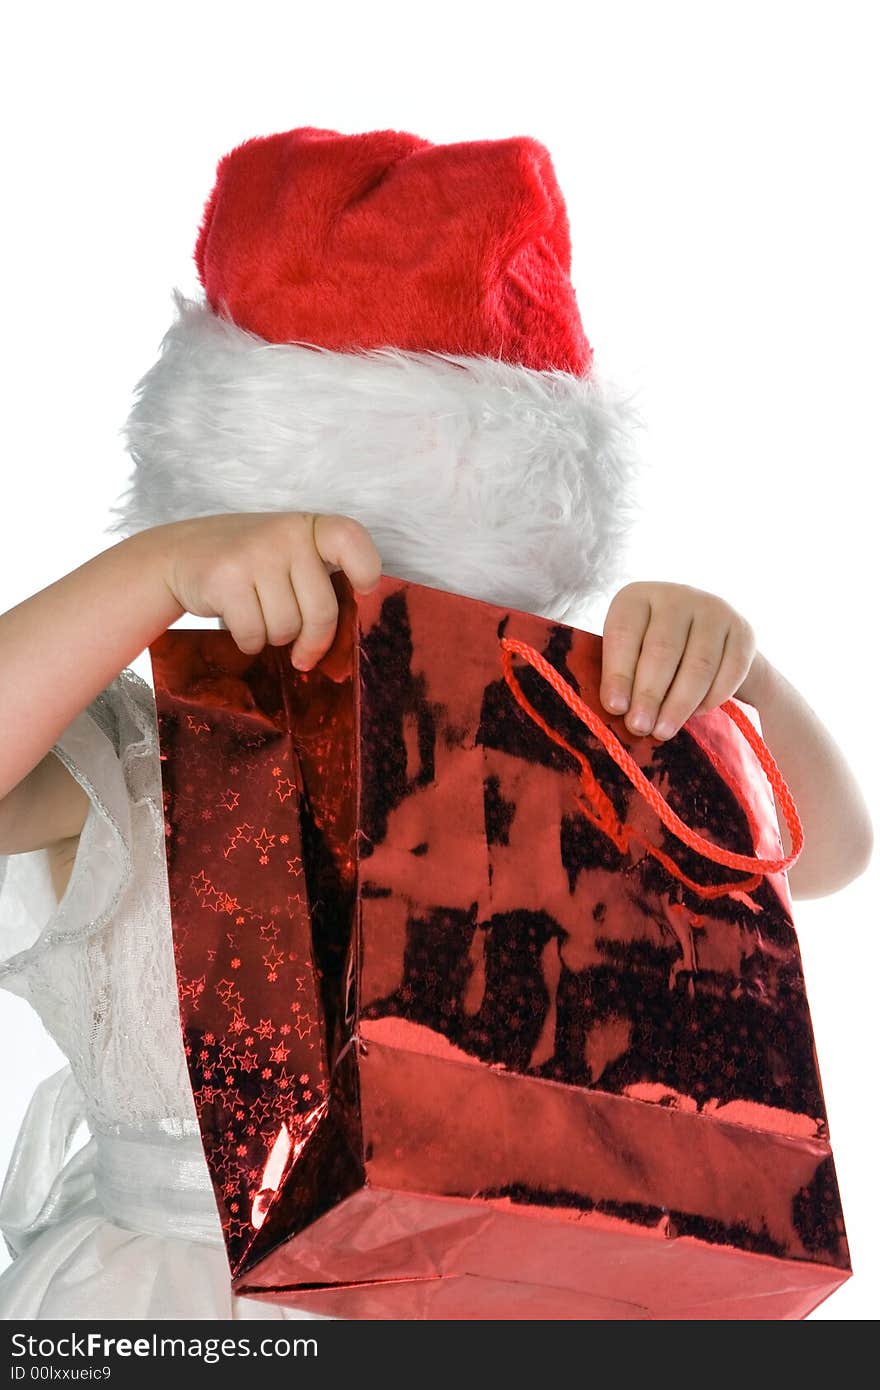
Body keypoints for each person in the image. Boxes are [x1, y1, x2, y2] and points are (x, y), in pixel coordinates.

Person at [0, 126, 872, 1320]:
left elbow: (823, 852)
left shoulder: (551, 746)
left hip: (513, 1293)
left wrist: (735, 678)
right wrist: (154, 574)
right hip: (189, 1310)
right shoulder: (135, 757)